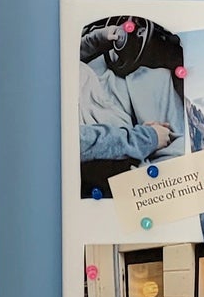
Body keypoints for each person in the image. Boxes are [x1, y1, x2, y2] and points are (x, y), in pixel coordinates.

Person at [77, 17, 187, 194]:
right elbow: (83, 142)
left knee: (152, 77)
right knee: (159, 79)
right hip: (97, 115)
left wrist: (97, 40)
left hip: (90, 87)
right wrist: (146, 137)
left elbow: (61, 62)